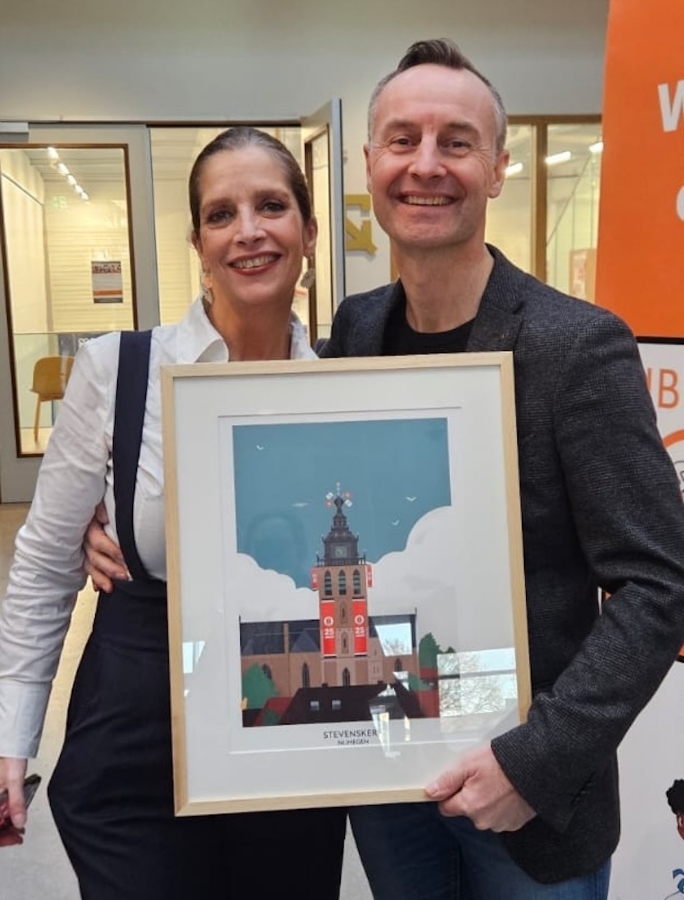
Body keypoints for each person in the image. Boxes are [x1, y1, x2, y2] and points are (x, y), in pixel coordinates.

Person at [83, 40, 684, 900]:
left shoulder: (577, 347)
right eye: (403, 140)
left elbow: (661, 583)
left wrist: (534, 763)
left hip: (530, 807)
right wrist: (111, 520)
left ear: (497, 167)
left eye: (456, 142)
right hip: (389, 788)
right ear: (369, 164)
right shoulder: (355, 333)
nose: (425, 165)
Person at [0, 126, 347, 899]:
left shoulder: (344, 389)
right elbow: (46, 565)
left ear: (309, 231)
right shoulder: (119, 370)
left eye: (271, 206)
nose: (248, 231)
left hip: (289, 725)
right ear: (197, 242)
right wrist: (10, 738)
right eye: (221, 214)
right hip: (135, 732)